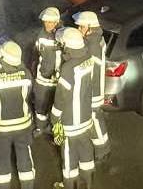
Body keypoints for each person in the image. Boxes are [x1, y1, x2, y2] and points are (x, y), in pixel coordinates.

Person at [0, 40, 36, 189]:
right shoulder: (26, 74)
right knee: (25, 158)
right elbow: (30, 92)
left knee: (2, 161)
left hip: (1, 129)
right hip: (23, 126)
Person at [51, 27, 96, 189]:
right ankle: (88, 184)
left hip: (71, 122)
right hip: (85, 118)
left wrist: (54, 117)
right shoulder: (88, 58)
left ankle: (69, 185)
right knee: (86, 153)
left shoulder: (68, 68)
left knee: (69, 156)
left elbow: (60, 97)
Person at [74, 11, 110, 161]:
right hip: (96, 87)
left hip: (93, 90)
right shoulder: (97, 39)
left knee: (95, 119)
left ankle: (103, 149)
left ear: (89, 28)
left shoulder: (91, 45)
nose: (78, 30)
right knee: (96, 118)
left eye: (81, 27)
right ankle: (102, 146)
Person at [33, 7, 62, 136]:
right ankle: (40, 127)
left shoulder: (62, 36)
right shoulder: (41, 36)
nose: (47, 25)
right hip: (42, 79)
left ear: (56, 22)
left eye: (50, 22)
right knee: (40, 104)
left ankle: (55, 129)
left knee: (57, 106)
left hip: (58, 80)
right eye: (46, 22)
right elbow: (37, 54)